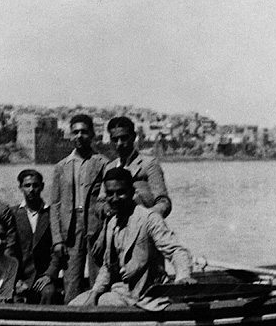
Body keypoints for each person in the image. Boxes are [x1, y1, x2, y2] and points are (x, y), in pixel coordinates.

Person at [70, 168, 194, 307]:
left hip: (147, 295)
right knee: (74, 305)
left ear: (132, 192)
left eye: (121, 193)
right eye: (110, 194)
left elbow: (176, 250)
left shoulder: (149, 219)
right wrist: (94, 293)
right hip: (121, 291)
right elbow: (107, 267)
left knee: (105, 303)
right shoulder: (112, 223)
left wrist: (183, 276)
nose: (115, 199)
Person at [50, 114, 109, 303]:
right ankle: (71, 319)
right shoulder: (61, 166)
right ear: (70, 135)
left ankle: (100, 319)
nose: (79, 136)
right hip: (70, 231)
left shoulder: (103, 163)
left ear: (92, 134)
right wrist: (57, 240)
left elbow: (108, 203)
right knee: (71, 280)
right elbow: (55, 206)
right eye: (75, 132)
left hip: (95, 228)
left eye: (84, 132)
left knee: (99, 279)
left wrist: (103, 235)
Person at [99, 116, 172, 218]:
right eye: (115, 139)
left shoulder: (149, 164)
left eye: (124, 138)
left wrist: (146, 219)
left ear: (133, 137)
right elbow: (101, 202)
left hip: (143, 226)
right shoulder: (110, 167)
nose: (119, 143)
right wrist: (107, 210)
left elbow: (163, 202)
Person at [13, 169, 62, 304]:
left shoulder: (52, 213)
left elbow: (56, 250)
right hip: (19, 277)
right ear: (20, 188)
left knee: (49, 293)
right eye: (27, 186)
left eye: (35, 185)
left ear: (42, 186)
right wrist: (15, 279)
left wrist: (49, 274)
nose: (31, 189)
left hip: (42, 277)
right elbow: (10, 250)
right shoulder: (13, 213)